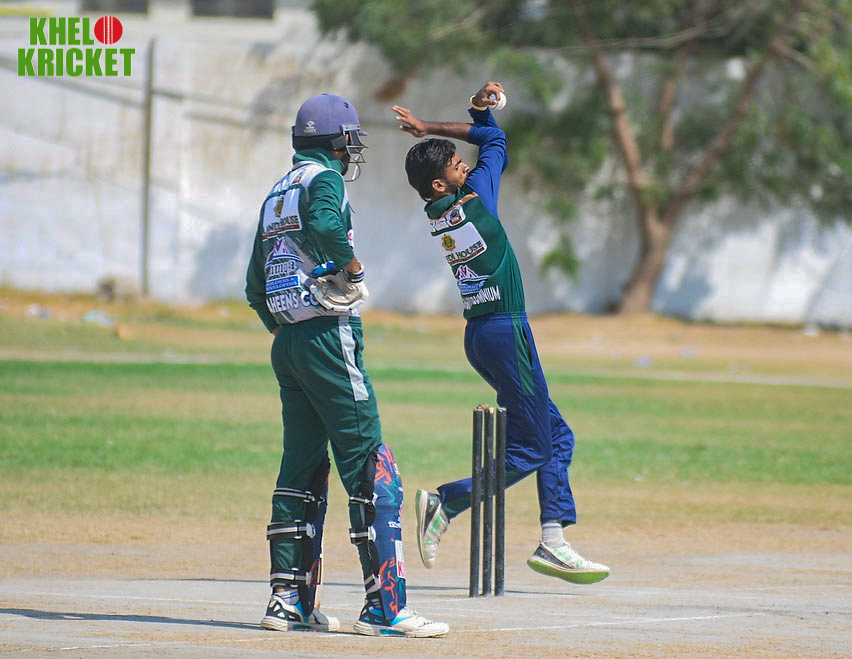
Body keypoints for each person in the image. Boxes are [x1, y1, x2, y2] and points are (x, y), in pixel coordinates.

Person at [245, 92, 449, 637]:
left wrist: (284, 324)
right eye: (349, 141)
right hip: (328, 336)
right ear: (336, 142)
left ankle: (287, 601)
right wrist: (351, 266)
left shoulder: (276, 193)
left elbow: (254, 284)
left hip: (288, 343)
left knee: (302, 468)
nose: (351, 151)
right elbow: (324, 223)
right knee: (370, 462)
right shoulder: (324, 180)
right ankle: (385, 607)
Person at [392, 82, 610, 585]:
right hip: (506, 332)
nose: (464, 167)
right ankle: (448, 501)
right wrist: (463, 117)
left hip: (481, 334)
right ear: (442, 184)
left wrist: (466, 114)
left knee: (555, 436)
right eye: (456, 166)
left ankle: (554, 540)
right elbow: (494, 141)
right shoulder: (480, 201)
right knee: (535, 447)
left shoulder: (445, 208)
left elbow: (489, 144)